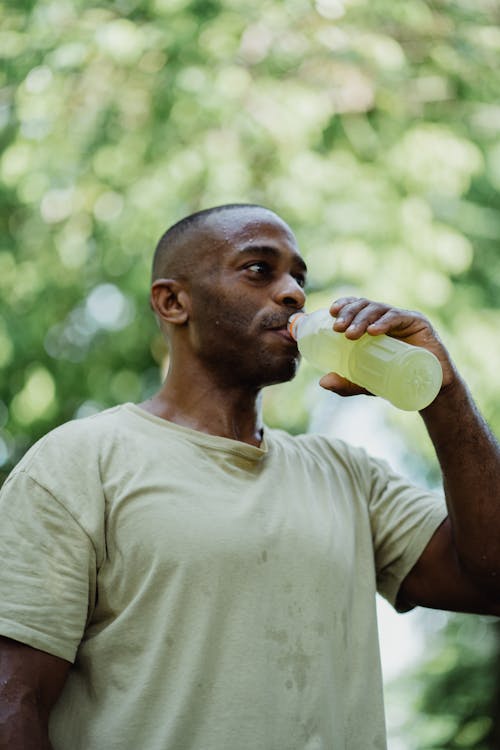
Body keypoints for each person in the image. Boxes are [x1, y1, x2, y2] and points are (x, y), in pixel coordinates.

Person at [0, 203, 499, 750]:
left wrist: (443, 393)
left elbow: (490, 577)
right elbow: (13, 701)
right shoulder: (80, 461)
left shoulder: (349, 477)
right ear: (173, 302)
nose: (293, 294)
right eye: (259, 269)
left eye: (298, 277)